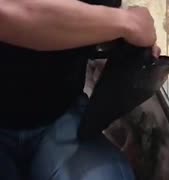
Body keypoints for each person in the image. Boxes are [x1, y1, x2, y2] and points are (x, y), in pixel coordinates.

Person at [0, 0, 160, 180]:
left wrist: (132, 42)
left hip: (60, 113)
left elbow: (101, 17)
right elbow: (10, 13)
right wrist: (126, 22)